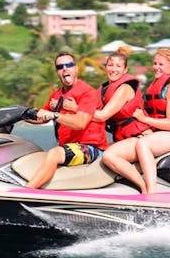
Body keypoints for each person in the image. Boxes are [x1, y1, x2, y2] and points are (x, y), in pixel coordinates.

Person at [62, 46, 153, 192]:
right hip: (124, 140)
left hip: (139, 138)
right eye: (110, 65)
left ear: (125, 70)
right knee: (92, 152)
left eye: (118, 66)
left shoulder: (125, 88)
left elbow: (103, 115)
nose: (113, 69)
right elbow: (89, 107)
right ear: (106, 67)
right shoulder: (104, 89)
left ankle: (144, 189)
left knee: (109, 156)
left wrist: (76, 108)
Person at [25, 51, 108, 189]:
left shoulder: (87, 93)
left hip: (91, 148)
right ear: (57, 72)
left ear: (76, 69)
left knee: (55, 153)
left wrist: (55, 115)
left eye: (69, 65)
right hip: (70, 147)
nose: (64, 69)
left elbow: (81, 123)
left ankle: (26, 192)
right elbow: (42, 118)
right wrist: (22, 115)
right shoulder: (57, 94)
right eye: (60, 67)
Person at [131, 48, 170, 193]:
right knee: (114, 151)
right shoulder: (156, 85)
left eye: (161, 64)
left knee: (143, 144)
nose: (156, 67)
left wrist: (144, 119)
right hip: (159, 135)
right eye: (155, 63)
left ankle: (151, 192)